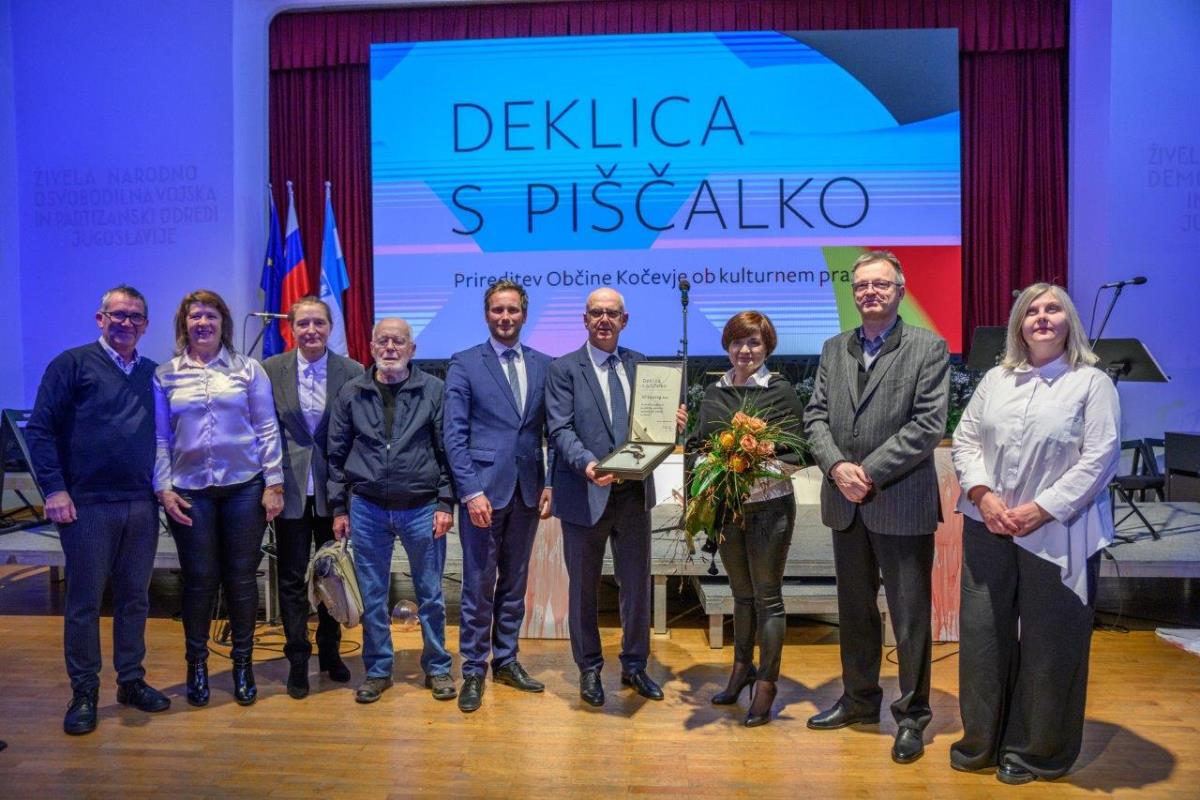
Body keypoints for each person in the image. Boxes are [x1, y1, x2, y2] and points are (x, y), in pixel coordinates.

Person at [950, 283, 1119, 785]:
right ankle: (982, 741)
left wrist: (1042, 510)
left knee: (1051, 644)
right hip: (988, 525)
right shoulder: (995, 379)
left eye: (1053, 309)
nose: (1041, 318)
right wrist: (984, 495)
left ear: (1070, 322)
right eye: (1031, 311)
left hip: (1059, 531)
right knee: (983, 639)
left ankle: (1035, 752)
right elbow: (965, 440)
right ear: (1018, 326)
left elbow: (1101, 457)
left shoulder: (1092, 383)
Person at [803, 251, 948, 764]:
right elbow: (815, 416)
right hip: (846, 504)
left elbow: (928, 424)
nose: (870, 292)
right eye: (862, 285)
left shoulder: (928, 346)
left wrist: (867, 471)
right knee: (855, 612)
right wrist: (837, 467)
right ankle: (860, 701)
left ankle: (912, 716)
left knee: (909, 617)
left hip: (899, 500)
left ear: (900, 291)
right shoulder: (834, 348)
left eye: (880, 284)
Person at [26, 285, 170, 735]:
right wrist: (54, 489)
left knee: (134, 599)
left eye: (135, 317)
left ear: (145, 325)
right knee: (85, 603)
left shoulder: (152, 373)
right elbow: (40, 431)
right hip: (86, 505)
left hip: (140, 504)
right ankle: (84, 692)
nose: (126, 323)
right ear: (100, 318)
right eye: (118, 314)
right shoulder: (71, 364)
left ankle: (131, 681)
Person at [545, 287, 686, 708]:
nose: (603, 319)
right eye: (596, 313)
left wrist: (673, 423)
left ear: (625, 320)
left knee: (636, 586)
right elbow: (560, 429)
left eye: (611, 313)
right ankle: (589, 669)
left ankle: (635, 665)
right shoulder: (564, 369)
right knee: (583, 590)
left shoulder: (642, 366)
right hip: (584, 491)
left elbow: (653, 428)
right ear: (585, 320)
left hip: (633, 495)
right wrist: (589, 464)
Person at [155, 289, 285, 707]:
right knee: (199, 579)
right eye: (195, 316)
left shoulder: (248, 370)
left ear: (223, 323)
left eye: (210, 316)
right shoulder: (165, 375)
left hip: (244, 487)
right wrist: (163, 487)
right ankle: (196, 664)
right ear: (184, 324)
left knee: (242, 578)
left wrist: (274, 483)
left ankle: (242, 663)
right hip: (189, 491)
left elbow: (267, 427)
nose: (203, 323)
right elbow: (160, 438)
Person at [326, 318, 456, 704]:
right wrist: (339, 507)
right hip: (367, 508)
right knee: (372, 595)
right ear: (371, 348)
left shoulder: (434, 391)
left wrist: (445, 502)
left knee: (431, 595)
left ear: (412, 350)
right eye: (382, 341)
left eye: (398, 341)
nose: (390, 348)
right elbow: (336, 455)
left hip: (422, 507)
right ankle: (378, 670)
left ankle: (438, 667)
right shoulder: (351, 392)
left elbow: (447, 450)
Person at [687, 311, 805, 726]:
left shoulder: (780, 391)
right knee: (741, 595)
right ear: (727, 346)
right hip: (728, 508)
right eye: (737, 342)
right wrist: (708, 467)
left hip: (770, 507)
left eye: (754, 342)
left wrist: (758, 461)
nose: (745, 350)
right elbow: (699, 444)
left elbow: (801, 450)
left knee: (768, 597)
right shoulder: (714, 391)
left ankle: (767, 685)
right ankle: (741, 669)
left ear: (767, 347)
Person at [443, 281, 554, 713]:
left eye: (512, 310)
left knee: (515, 584)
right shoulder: (465, 363)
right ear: (486, 314)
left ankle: (506, 660)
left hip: (527, 492)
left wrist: (550, 483)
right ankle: (473, 668)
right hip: (483, 496)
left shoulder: (544, 365)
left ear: (524, 314)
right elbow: (454, 435)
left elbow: (553, 432)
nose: (505, 317)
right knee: (478, 584)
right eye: (497, 310)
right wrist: (470, 491)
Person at [262, 296, 363, 698]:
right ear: (291, 328)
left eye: (318, 323)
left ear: (330, 327)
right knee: (291, 578)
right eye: (303, 323)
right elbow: (265, 431)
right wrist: (269, 486)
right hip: (287, 490)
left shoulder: (352, 371)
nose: (311, 330)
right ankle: (298, 659)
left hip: (333, 491)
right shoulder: (270, 370)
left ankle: (331, 652)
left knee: (332, 574)